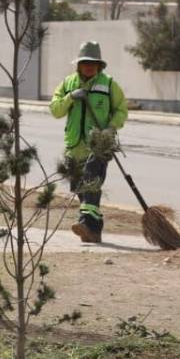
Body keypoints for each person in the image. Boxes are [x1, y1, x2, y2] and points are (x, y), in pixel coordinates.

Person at [49, 41, 128, 244]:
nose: (89, 66)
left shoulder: (109, 84)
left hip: (99, 145)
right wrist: (71, 97)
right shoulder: (68, 84)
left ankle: (84, 221)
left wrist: (111, 128)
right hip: (74, 147)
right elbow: (56, 110)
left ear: (100, 65)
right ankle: (94, 229)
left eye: (93, 63)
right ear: (78, 64)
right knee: (80, 189)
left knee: (91, 181)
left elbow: (121, 110)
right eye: (85, 62)